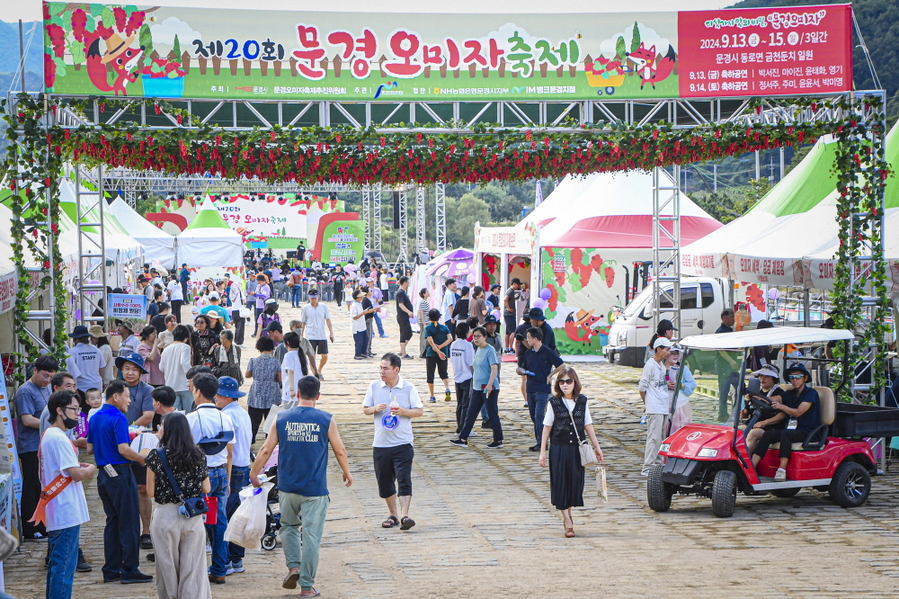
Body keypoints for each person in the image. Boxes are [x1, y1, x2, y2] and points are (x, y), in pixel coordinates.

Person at [252, 376, 352, 595]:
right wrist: (346, 471)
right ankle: (307, 586)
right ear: (318, 396)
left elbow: (266, 450)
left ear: (297, 394)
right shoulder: (326, 419)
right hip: (314, 489)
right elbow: (340, 450)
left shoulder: (281, 417)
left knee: (288, 527)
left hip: (287, 487)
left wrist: (254, 472)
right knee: (311, 536)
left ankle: (293, 566)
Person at [86, 381, 153, 584]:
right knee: (130, 523)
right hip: (120, 473)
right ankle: (130, 569)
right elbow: (123, 449)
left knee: (112, 521)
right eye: (127, 396)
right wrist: (143, 459)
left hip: (103, 474)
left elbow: (89, 449)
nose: (130, 400)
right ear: (116, 397)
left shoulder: (95, 416)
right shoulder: (118, 417)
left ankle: (111, 569)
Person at [144, 412, 212, 599]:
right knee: (193, 567)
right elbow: (206, 487)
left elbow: (150, 492)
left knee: (167, 566)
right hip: (192, 515)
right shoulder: (198, 454)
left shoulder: (155, 456)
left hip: (166, 516)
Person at [38, 390, 97, 599]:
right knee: (63, 568)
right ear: (59, 410)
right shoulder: (59, 438)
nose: (76, 414)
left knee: (58, 566)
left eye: (78, 409)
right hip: (65, 509)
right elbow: (76, 475)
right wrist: (89, 470)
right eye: (73, 409)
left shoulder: (51, 435)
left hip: (59, 508)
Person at [538, 366, 604, 538]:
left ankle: (568, 512)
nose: (565, 385)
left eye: (568, 381)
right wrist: (542, 451)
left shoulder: (582, 401)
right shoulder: (554, 403)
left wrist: (597, 447)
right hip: (558, 449)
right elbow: (547, 427)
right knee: (560, 484)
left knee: (574, 484)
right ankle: (567, 521)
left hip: (576, 449)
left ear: (575, 383)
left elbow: (588, 425)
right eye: (561, 381)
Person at [362, 353, 424, 531]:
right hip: (381, 443)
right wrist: (374, 409)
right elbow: (365, 409)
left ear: (396, 370)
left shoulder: (408, 388)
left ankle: (405, 515)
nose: (382, 371)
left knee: (404, 478)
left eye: (385, 368)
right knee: (384, 482)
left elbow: (419, 411)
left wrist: (404, 411)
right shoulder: (374, 386)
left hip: (403, 442)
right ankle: (393, 514)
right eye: (380, 368)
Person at [185, 373, 235, 585]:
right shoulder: (226, 417)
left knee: (195, 520)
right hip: (221, 473)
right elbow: (230, 452)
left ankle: (194, 569)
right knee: (218, 521)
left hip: (199, 475)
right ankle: (219, 569)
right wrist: (229, 480)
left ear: (197, 391)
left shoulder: (190, 419)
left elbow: (184, 452)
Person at [751, 364, 821, 482]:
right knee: (767, 435)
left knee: (785, 434)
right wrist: (755, 397)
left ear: (805, 378)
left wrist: (781, 406)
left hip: (809, 431)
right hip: (793, 430)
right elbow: (775, 398)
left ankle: (782, 469)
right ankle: (751, 466)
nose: (795, 379)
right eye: (792, 377)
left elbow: (798, 412)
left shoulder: (810, 394)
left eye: (798, 376)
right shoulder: (790, 394)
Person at [213, 377, 253, 577]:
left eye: (218, 395)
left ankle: (226, 560)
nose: (215, 398)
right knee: (238, 515)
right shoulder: (242, 413)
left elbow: (228, 451)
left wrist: (226, 479)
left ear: (227, 396)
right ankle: (236, 558)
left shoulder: (227, 416)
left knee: (226, 516)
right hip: (243, 466)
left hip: (234, 468)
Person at [116, 352, 155, 549]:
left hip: (141, 446)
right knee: (121, 490)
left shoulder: (147, 390)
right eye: (127, 368)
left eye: (134, 369)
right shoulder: (114, 389)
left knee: (142, 489)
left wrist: (128, 428)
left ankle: (146, 530)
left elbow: (148, 415)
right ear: (121, 371)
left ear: (140, 372)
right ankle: (125, 531)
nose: (130, 373)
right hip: (117, 446)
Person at [16, 355, 58, 539]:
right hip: (31, 446)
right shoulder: (25, 391)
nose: (47, 380)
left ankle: (42, 524)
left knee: (43, 486)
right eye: (44, 376)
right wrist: (52, 425)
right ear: (35, 370)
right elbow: (27, 419)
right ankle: (30, 528)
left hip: (45, 444)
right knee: (32, 486)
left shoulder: (48, 388)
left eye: (50, 376)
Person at [450, 326, 504, 449]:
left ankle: (498, 439)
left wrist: (490, 384)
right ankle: (463, 438)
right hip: (477, 387)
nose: (476, 338)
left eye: (478, 336)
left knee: (492, 413)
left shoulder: (489, 350)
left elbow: (494, 367)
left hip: (488, 387)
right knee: (471, 413)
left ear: (485, 337)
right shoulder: (478, 349)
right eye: (474, 336)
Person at [518, 327, 566, 451]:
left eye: (529, 337)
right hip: (531, 388)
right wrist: (521, 371)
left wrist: (551, 375)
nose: (527, 340)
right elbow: (523, 367)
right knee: (534, 416)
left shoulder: (547, 352)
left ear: (535, 338)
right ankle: (541, 438)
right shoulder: (528, 353)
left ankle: (542, 443)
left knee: (540, 414)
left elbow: (561, 365)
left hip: (543, 388)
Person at [639, 338, 672, 476]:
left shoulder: (661, 366)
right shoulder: (650, 365)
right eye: (666, 349)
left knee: (661, 437)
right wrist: (647, 403)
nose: (668, 352)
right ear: (659, 349)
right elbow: (642, 386)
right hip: (655, 407)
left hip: (663, 406)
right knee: (653, 437)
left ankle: (657, 465)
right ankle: (648, 466)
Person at [245, 335, 282, 443]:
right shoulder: (276, 361)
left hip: (256, 393)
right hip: (272, 394)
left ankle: (249, 443)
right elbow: (279, 378)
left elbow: (247, 375)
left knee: (253, 422)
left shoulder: (253, 361)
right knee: (271, 422)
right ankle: (270, 444)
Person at [742, 365, 786, 453]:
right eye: (761, 376)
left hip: (770, 427)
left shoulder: (780, 393)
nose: (762, 378)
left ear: (774, 378)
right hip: (752, 423)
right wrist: (741, 403)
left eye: (767, 376)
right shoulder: (756, 392)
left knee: (752, 434)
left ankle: (744, 461)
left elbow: (783, 415)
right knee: (735, 431)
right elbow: (744, 414)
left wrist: (764, 422)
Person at [300, 289, 334, 380]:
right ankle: (315, 373)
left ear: (318, 297)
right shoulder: (305, 308)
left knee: (324, 355)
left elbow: (328, 320)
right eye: (312, 298)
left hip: (321, 334)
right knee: (312, 356)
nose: (313, 300)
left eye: (315, 298)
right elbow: (303, 322)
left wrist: (331, 332)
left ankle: (319, 369)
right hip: (310, 335)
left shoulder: (324, 307)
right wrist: (301, 334)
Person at [159, 325, 194, 412]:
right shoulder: (185, 347)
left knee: (175, 414)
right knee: (189, 413)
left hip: (171, 386)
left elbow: (161, 367)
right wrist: (192, 377)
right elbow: (184, 363)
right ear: (186, 338)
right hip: (185, 386)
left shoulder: (166, 349)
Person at [66, 325, 105, 401]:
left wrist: (74, 388)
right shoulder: (96, 350)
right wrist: (101, 381)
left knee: (84, 412)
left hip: (82, 388)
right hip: (97, 386)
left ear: (76, 339)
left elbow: (72, 372)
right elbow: (102, 367)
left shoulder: (73, 352)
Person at [449, 322, 475, 435]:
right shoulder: (467, 345)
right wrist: (475, 374)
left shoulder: (453, 344)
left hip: (457, 376)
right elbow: (470, 363)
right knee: (466, 404)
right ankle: (464, 429)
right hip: (467, 376)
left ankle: (459, 427)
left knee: (460, 404)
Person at [423, 308, 452, 403]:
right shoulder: (445, 328)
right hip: (444, 352)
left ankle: (432, 396)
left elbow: (430, 341)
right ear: (439, 318)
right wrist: (441, 347)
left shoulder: (428, 328)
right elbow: (450, 339)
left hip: (431, 353)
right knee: (443, 372)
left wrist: (437, 350)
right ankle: (447, 388)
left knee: (430, 374)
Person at [666, 344, 697, 434]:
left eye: (677, 353)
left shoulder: (683, 369)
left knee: (679, 429)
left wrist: (682, 385)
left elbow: (692, 384)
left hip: (680, 403)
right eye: (673, 353)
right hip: (665, 402)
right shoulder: (660, 369)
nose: (675, 356)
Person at [280, 332, 310, 410]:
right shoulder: (301, 354)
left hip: (290, 391)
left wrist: (291, 389)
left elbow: (290, 372)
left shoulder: (288, 355)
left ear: (287, 343)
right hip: (301, 390)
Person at [395, 276, 415, 359]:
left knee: (409, 334)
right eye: (408, 282)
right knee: (403, 334)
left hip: (405, 317)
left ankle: (402, 350)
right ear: (404, 283)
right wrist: (409, 311)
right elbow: (401, 304)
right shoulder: (400, 293)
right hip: (402, 316)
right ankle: (403, 353)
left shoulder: (403, 292)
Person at [351, 289, 375, 360]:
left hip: (362, 325)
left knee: (365, 339)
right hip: (357, 326)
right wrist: (363, 313)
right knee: (359, 341)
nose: (362, 298)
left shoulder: (360, 304)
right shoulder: (354, 305)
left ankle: (363, 353)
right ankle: (357, 355)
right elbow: (354, 317)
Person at [503, 278, 522, 353]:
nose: (518, 286)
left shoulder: (511, 291)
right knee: (513, 332)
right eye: (518, 284)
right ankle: (510, 348)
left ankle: (507, 348)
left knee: (507, 332)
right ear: (514, 284)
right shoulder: (510, 291)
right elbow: (505, 299)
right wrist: (508, 308)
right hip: (509, 314)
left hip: (507, 314)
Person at [227, 277, 246, 346]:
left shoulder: (231, 294)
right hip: (240, 311)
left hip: (234, 311)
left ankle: (236, 341)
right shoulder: (240, 293)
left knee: (237, 327)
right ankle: (239, 342)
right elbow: (244, 300)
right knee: (241, 328)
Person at [417, 288, 431, 358]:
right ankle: (422, 352)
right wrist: (424, 323)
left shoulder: (425, 302)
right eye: (427, 292)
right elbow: (421, 313)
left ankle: (424, 351)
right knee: (424, 337)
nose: (429, 293)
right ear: (424, 294)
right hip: (424, 322)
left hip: (426, 321)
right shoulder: (423, 302)